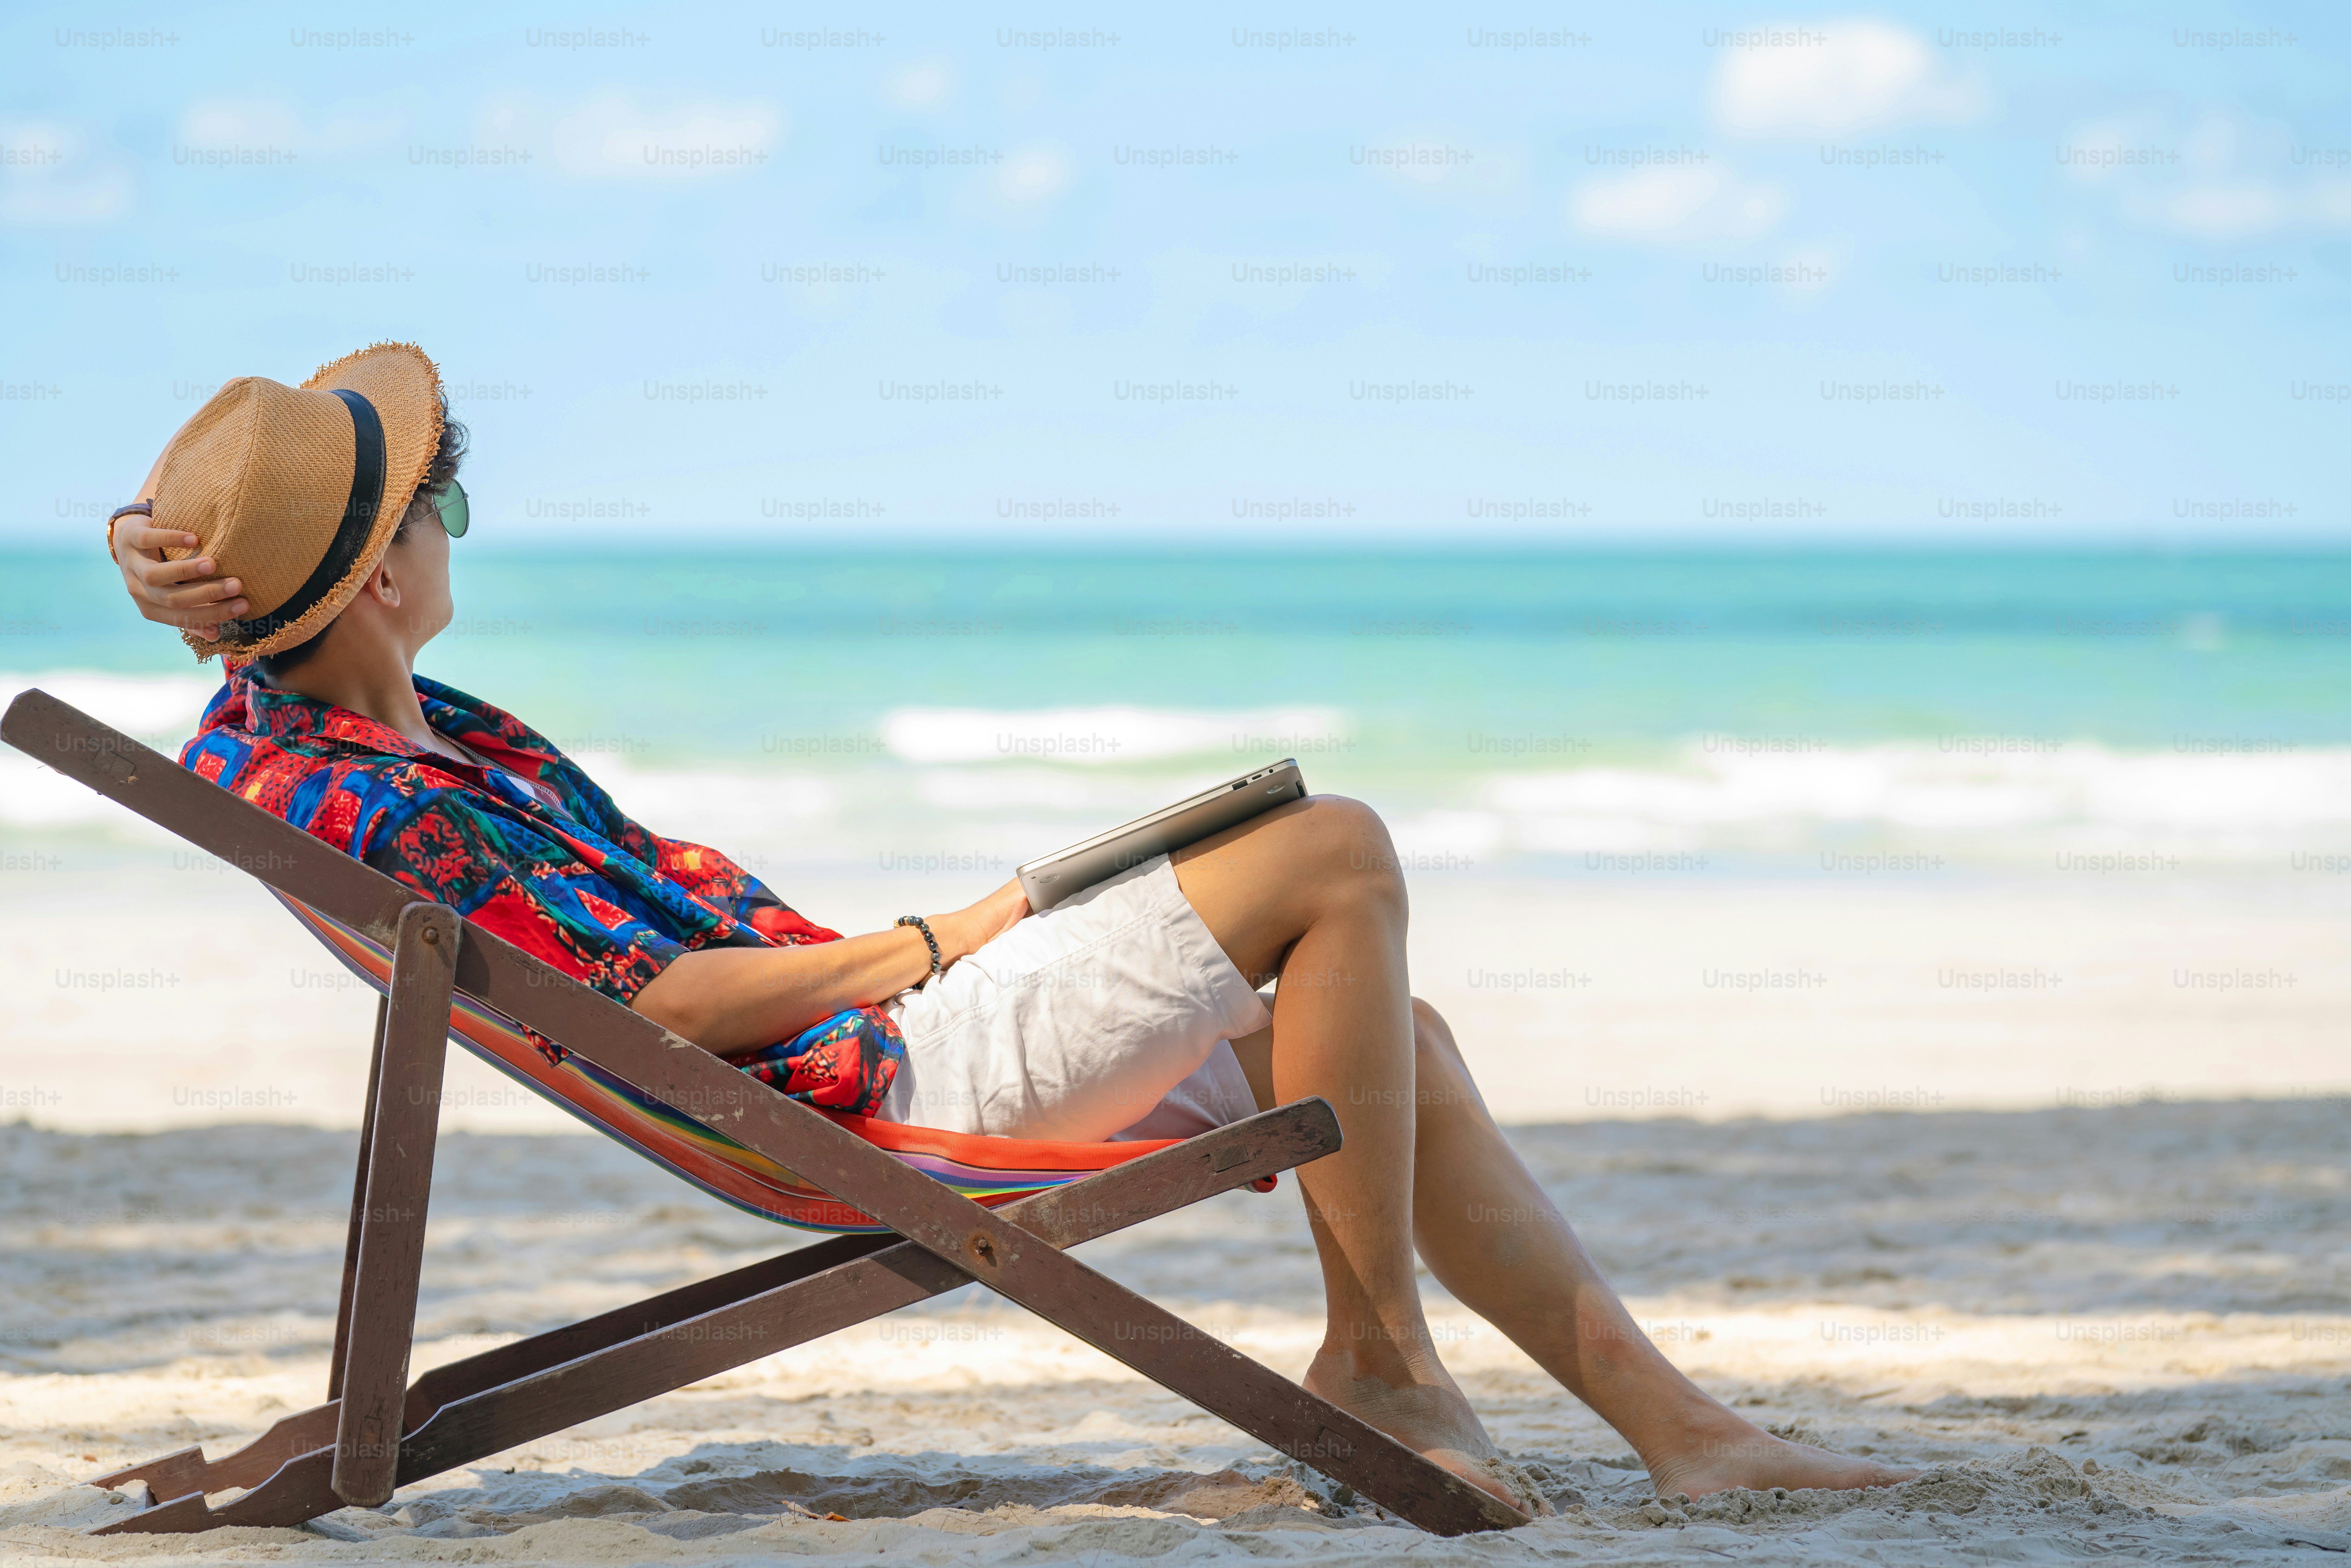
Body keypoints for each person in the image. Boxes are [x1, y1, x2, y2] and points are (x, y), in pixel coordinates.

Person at [111, 343, 1915, 1514]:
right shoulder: (372, 790)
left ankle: (1685, 1438)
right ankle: (1380, 1359)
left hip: (890, 1031)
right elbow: (656, 996)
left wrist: (158, 546)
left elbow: (255, 655)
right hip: (893, 1069)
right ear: (376, 572)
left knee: (1396, 1047)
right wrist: (927, 941)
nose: (452, 530)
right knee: (1338, 848)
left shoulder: (390, 731)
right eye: (440, 510)